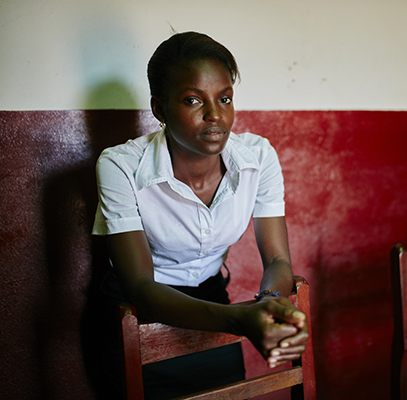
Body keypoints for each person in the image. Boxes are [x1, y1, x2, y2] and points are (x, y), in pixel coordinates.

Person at [92, 31, 308, 399]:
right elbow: (141, 288)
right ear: (159, 108)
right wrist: (241, 319)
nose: (215, 115)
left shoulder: (258, 158)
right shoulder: (121, 166)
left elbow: (276, 258)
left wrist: (270, 299)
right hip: (137, 318)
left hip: (212, 305)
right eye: (193, 100)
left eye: (225, 98)